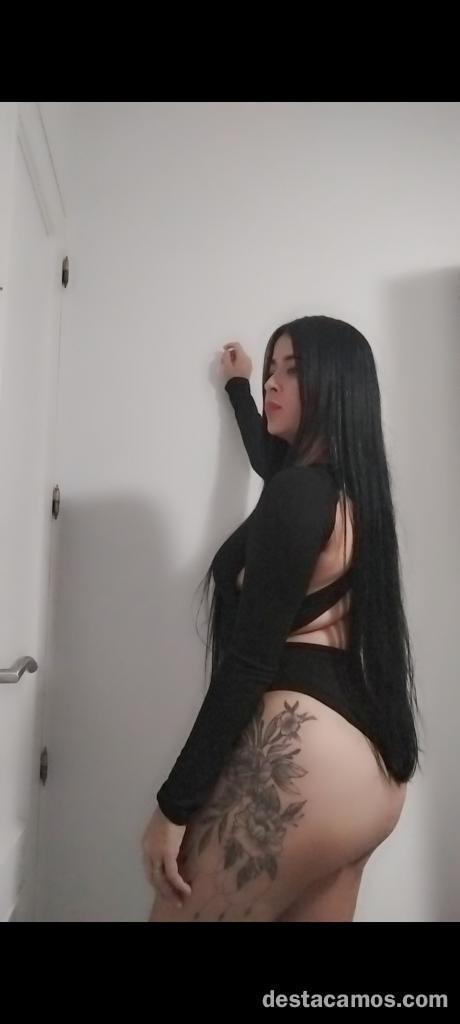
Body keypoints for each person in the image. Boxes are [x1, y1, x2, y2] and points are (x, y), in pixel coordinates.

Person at [142, 315, 422, 922]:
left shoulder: (299, 495)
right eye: (272, 368)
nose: (273, 381)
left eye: (292, 371)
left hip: (306, 765)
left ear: (334, 385)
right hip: (371, 775)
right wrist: (238, 387)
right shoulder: (345, 492)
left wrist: (173, 807)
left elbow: (248, 663)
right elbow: (269, 461)